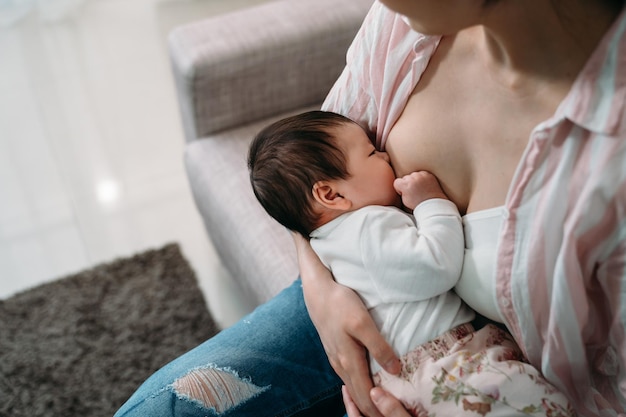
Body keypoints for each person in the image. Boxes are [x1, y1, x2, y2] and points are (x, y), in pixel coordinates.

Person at [114, 0, 626, 415]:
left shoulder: (610, 158)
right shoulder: (405, 27)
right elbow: (307, 183)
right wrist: (321, 292)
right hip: (359, 309)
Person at [248, 109, 573, 415]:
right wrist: (432, 203)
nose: (386, 154)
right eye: (373, 154)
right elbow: (435, 266)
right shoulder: (368, 225)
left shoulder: (326, 240)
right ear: (331, 195)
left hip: (412, 378)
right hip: (446, 367)